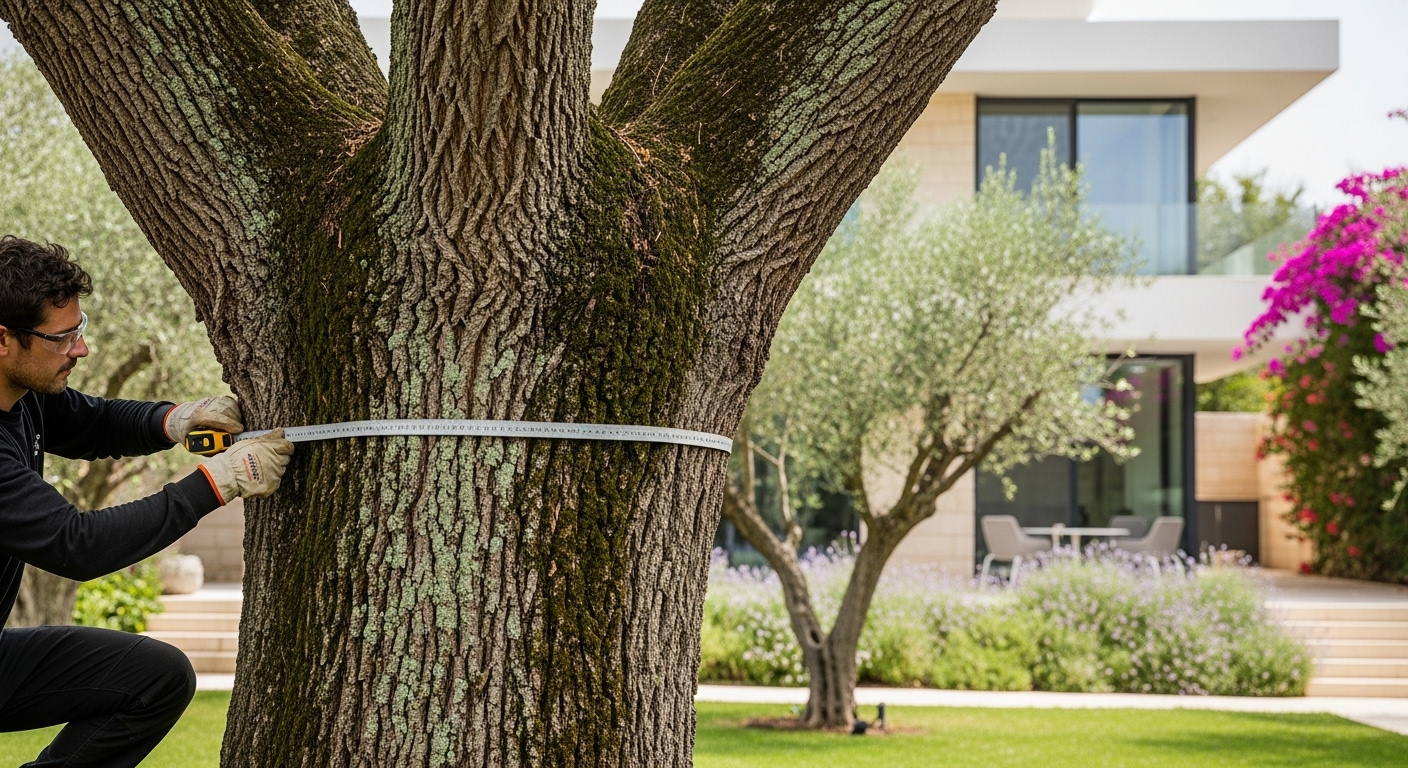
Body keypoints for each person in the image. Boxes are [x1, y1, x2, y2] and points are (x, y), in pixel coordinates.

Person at [0, 235, 294, 767]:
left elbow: (91, 422)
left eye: (80, 331)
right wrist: (216, 483)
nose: (81, 349)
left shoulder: (22, 398)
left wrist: (175, 419)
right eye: (62, 337)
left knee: (154, 677)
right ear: (3, 340)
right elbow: (77, 545)